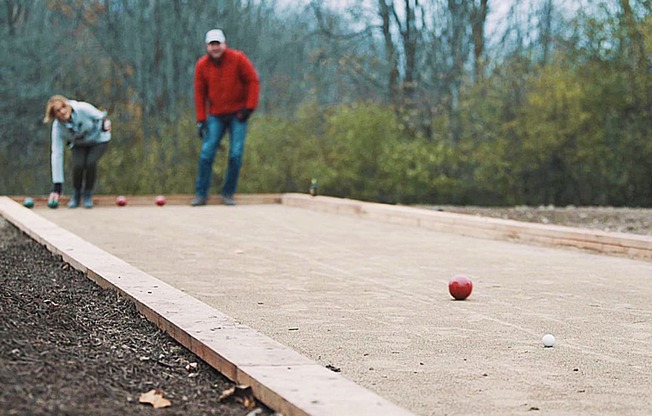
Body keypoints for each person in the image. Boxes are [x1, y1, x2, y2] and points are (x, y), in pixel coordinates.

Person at [192, 29, 260, 206]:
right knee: (207, 152)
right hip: (215, 115)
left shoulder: (238, 59)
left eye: (218, 44)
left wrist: (249, 107)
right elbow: (200, 93)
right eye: (212, 45)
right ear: (207, 47)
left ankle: (228, 193)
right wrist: (201, 119)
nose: (215, 48)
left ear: (224, 44)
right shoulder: (202, 65)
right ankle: (201, 194)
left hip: (238, 114)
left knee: (235, 154)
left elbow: (253, 81)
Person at [43, 95, 111, 209]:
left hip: (99, 139)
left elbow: (101, 116)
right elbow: (56, 154)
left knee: (90, 162)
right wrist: (57, 187)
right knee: (78, 165)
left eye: (64, 107)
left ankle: (88, 194)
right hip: (79, 144)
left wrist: (105, 124)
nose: (63, 111)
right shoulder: (58, 128)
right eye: (58, 111)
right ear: (54, 115)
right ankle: (76, 195)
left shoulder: (82, 108)